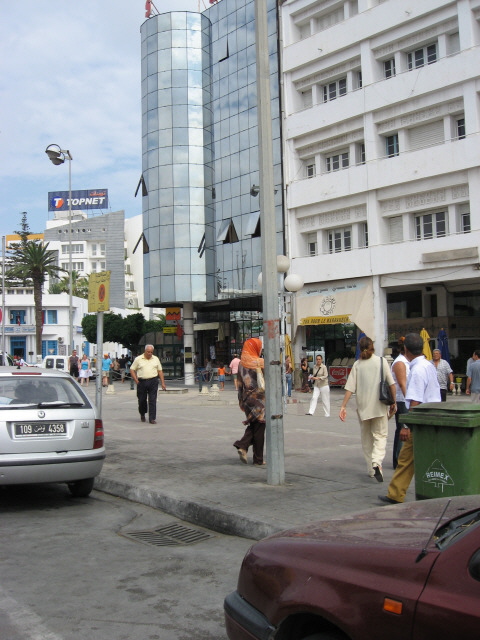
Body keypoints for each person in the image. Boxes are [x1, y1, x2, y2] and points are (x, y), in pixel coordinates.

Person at [379, 332, 441, 505]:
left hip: (421, 419)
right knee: (416, 457)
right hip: (433, 415)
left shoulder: (417, 369)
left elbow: (415, 399)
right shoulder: (428, 365)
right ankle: (397, 492)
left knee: (406, 458)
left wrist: (406, 424)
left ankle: (396, 493)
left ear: (406, 349)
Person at [339, 336, 396, 482]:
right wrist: (393, 402)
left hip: (363, 408)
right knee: (380, 435)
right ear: (372, 347)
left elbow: (350, 388)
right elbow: (391, 384)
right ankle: (377, 461)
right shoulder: (382, 362)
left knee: (366, 440)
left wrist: (343, 406)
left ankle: (371, 470)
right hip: (379, 406)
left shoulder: (357, 364)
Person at [233, 338, 266, 466]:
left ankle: (245, 449)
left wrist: (241, 401)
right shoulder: (260, 362)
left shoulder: (241, 364)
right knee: (260, 428)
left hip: (247, 400)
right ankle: (244, 446)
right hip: (259, 400)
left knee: (254, 426)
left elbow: (240, 384)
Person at [129, 345, 166, 424]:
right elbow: (132, 369)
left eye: (151, 352)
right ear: (145, 351)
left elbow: (160, 371)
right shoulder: (138, 359)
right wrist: (136, 380)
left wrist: (163, 383)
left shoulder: (156, 359)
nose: (149, 353)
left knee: (152, 400)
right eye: (148, 352)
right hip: (142, 381)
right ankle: (142, 413)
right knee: (142, 400)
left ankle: (152, 418)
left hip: (153, 381)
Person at [391, 338, 410, 469]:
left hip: (404, 399)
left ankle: (401, 457)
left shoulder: (405, 362)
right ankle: (398, 459)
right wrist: (409, 399)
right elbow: (403, 384)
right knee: (402, 429)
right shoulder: (400, 362)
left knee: (403, 429)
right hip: (402, 400)